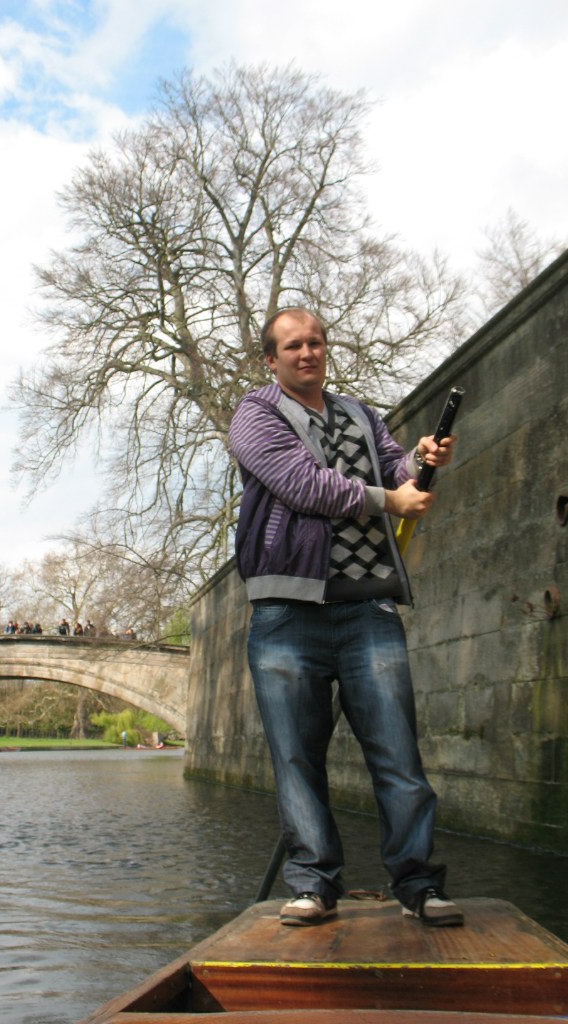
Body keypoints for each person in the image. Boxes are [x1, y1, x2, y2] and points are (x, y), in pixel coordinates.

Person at [228, 307, 462, 929]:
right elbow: (305, 485)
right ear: (270, 360)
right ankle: (313, 884)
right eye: (293, 346)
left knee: (397, 754)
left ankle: (417, 885)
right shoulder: (254, 416)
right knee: (297, 759)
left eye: (315, 342)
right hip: (285, 612)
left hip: (367, 607)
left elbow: (398, 471)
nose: (307, 352)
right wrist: (391, 497)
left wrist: (420, 458)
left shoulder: (358, 412)